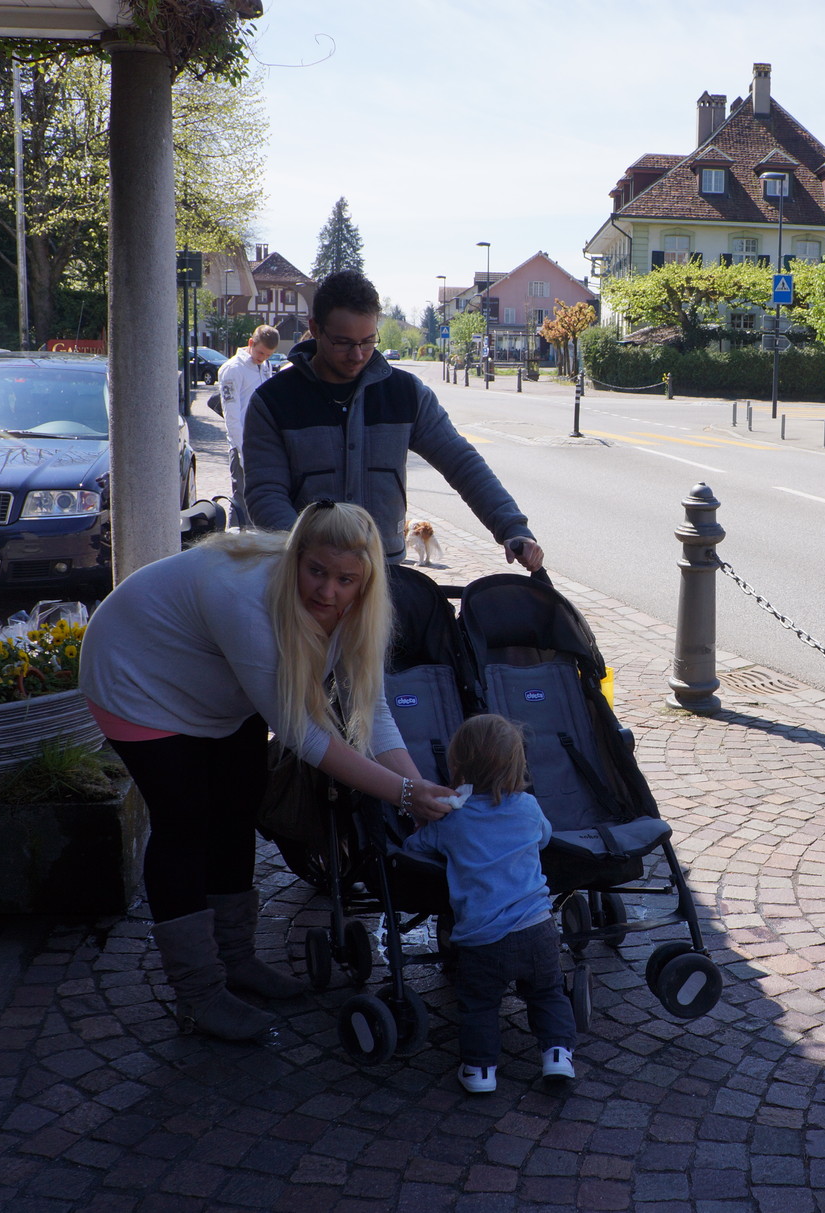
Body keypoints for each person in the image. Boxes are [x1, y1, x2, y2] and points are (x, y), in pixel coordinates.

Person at [81, 501, 456, 1040]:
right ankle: (199, 994)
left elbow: (368, 708)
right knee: (186, 823)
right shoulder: (247, 598)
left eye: (345, 580)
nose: (327, 592)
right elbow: (304, 733)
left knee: (238, 807)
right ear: (295, 556)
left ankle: (235, 959)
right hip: (137, 678)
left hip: (216, 689)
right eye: (317, 571)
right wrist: (402, 795)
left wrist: (416, 786)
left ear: (367, 580)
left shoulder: (358, 605)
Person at [242, 268, 544, 572]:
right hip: (307, 581)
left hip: (385, 574)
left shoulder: (406, 393)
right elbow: (264, 494)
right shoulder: (274, 401)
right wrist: (311, 558)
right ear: (316, 329)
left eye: (368, 341)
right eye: (343, 343)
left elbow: (461, 462)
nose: (358, 355)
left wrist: (511, 526)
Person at [402, 715, 578, 1093]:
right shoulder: (528, 807)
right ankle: (557, 1056)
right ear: (519, 766)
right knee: (547, 993)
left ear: (456, 767)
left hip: (482, 938)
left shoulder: (453, 819)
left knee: (479, 1005)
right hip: (537, 928)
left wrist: (420, 828)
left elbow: (414, 849)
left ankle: (481, 1071)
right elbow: (544, 838)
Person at [215, 324, 281, 529]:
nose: (262, 358)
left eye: (268, 355)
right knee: (241, 498)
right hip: (242, 445)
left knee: (261, 496)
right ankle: (234, 544)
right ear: (251, 343)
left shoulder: (264, 365)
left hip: (262, 444)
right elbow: (231, 415)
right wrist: (244, 451)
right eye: (260, 352)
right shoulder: (233, 369)